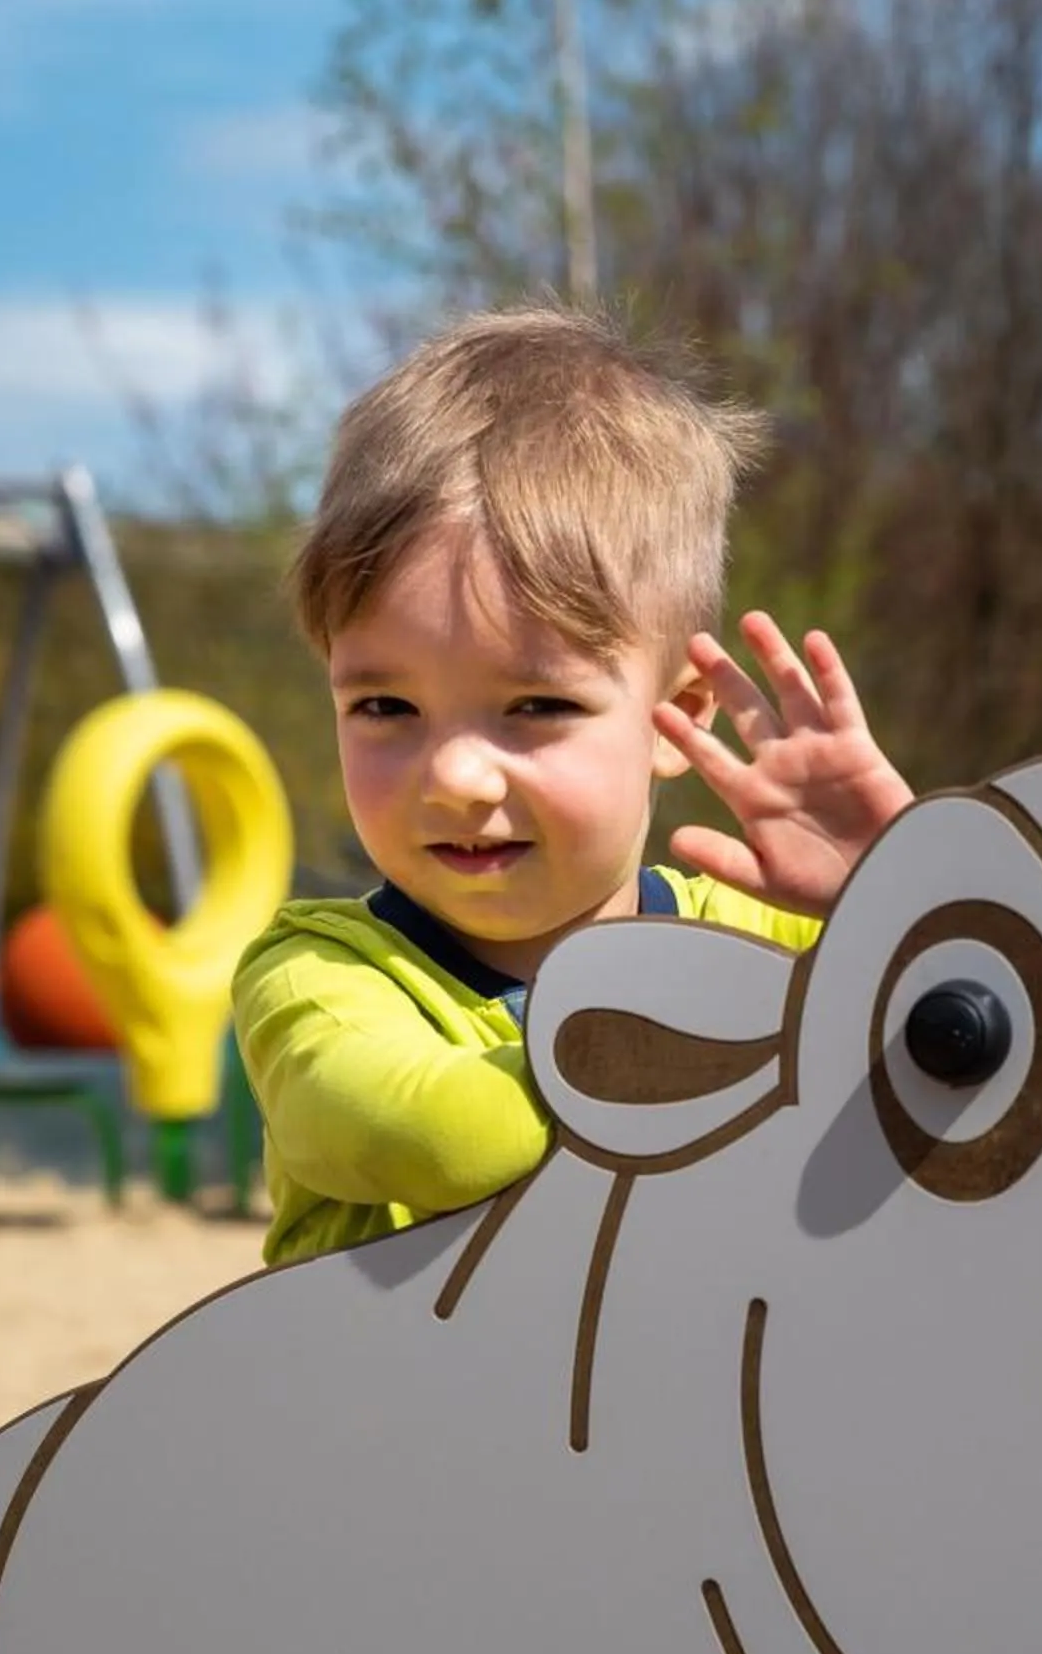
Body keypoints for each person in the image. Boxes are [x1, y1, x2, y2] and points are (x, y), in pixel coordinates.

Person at [233, 304, 914, 1267]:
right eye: (386, 707)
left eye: (537, 707)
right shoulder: (321, 976)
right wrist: (719, 1037)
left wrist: (898, 900)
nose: (459, 777)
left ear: (676, 716)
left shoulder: (759, 935)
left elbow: (971, 1061)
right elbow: (427, 1139)